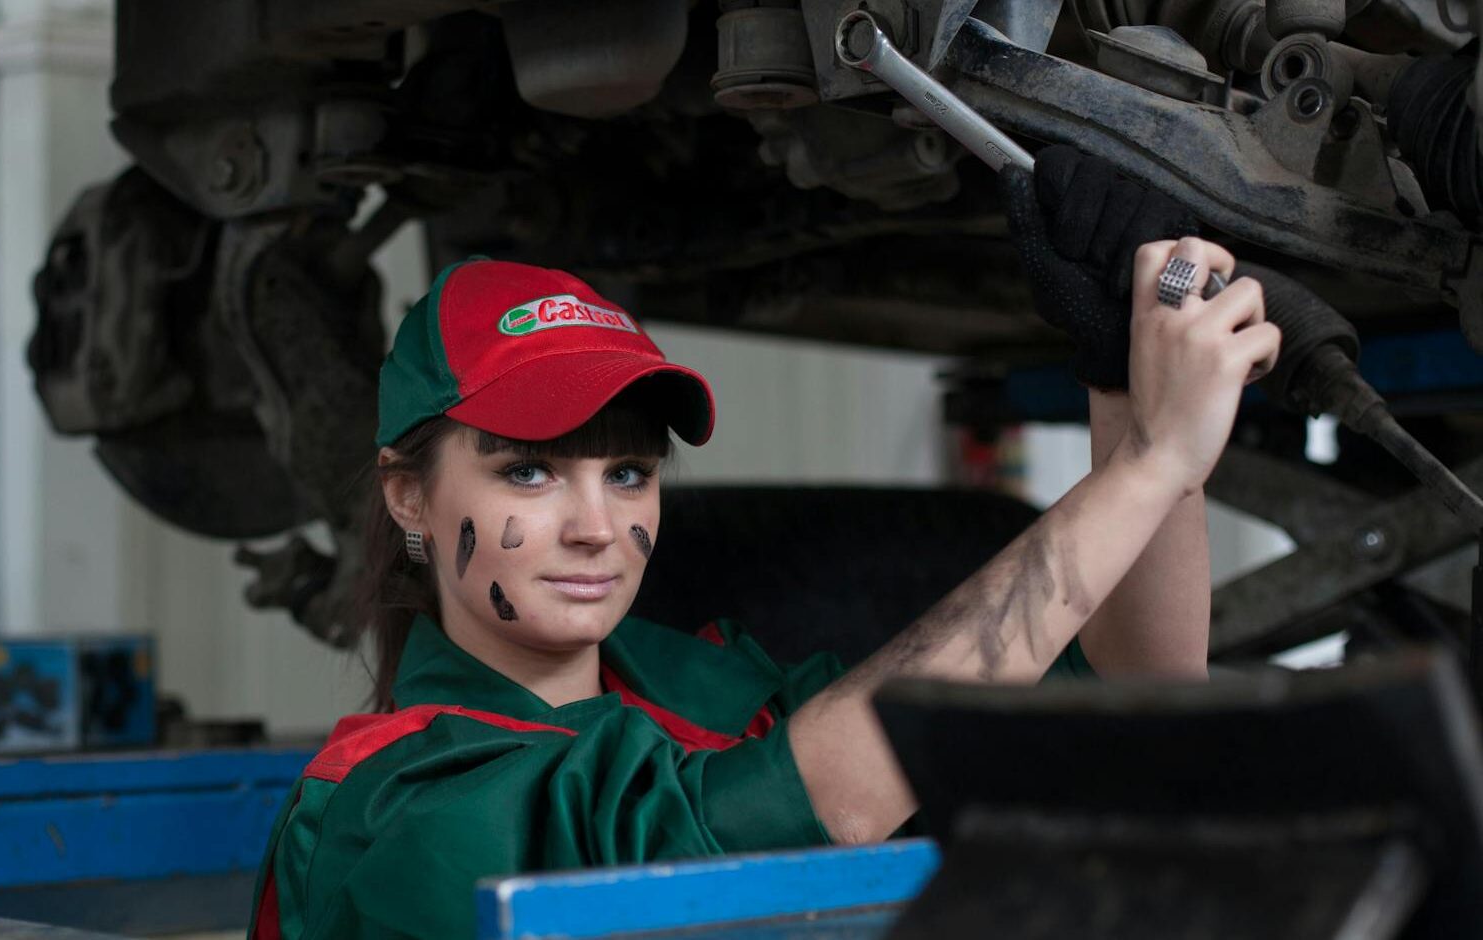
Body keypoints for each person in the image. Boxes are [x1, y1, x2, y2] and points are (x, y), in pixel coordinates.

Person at [246, 148, 1279, 938]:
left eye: (627, 472)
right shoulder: (394, 808)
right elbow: (810, 806)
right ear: (409, 498)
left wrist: (1116, 378)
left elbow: (1138, 695)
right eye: (527, 470)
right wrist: (1146, 462)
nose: (597, 525)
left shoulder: (690, 686)